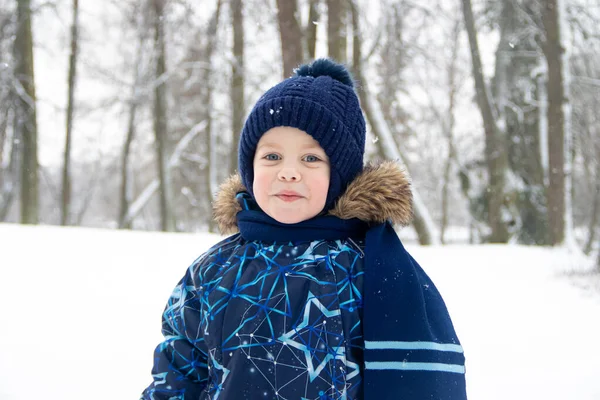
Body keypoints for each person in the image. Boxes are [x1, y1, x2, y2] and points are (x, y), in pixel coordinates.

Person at [141, 58, 467, 400]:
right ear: (249, 167)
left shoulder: (369, 270)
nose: (289, 172)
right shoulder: (211, 271)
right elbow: (177, 375)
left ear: (339, 174)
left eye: (310, 159)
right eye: (271, 157)